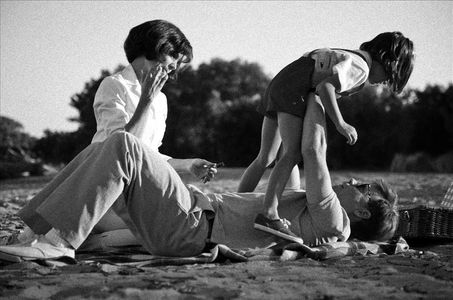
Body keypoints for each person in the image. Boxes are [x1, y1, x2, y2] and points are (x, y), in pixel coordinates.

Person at [0, 94, 399, 262]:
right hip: (189, 218)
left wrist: (319, 93)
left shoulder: (335, 222)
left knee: (123, 144)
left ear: (363, 214)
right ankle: (34, 231)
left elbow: (314, 150)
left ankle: (59, 244)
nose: (352, 184)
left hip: (190, 224)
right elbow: (285, 157)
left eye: (362, 189)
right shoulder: (312, 213)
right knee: (102, 150)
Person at [237, 32, 414, 243]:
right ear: (389, 61)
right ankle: (269, 213)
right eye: (389, 77)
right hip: (295, 90)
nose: (383, 83)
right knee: (292, 152)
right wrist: (341, 123)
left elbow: (313, 61)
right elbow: (325, 87)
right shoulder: (361, 69)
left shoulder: (350, 55)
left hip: (281, 82)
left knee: (265, 157)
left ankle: (236, 201)